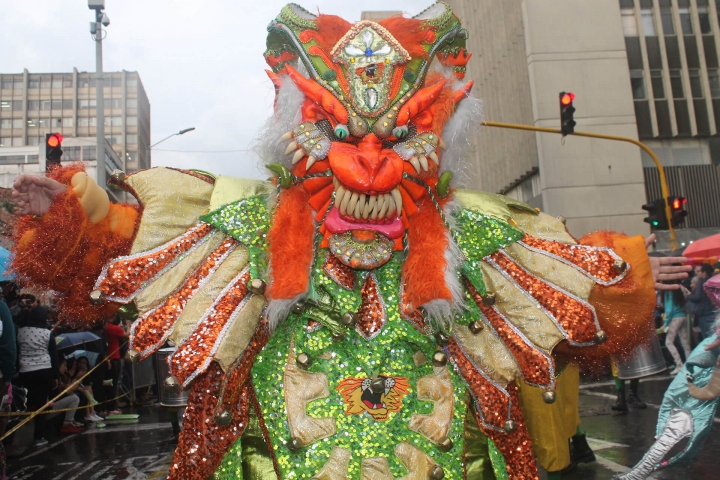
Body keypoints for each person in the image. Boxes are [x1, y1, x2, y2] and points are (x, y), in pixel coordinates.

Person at [8, 5, 692, 478]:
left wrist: (623, 277)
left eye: (393, 139)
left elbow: (578, 296)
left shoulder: (477, 231)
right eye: (340, 137)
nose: (368, 162)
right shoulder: (247, 221)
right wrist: (77, 215)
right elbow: (127, 256)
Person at [15, 306, 58, 447]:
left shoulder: (20, 332)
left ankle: (22, 434)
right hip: (44, 370)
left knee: (26, 402)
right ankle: (38, 436)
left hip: (25, 371)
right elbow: (53, 355)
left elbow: (17, 351)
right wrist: (55, 375)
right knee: (41, 403)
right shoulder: (47, 333)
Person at [46, 357, 83, 434]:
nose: (65, 368)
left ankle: (71, 421)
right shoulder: (53, 379)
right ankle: (67, 424)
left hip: (53, 406)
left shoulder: (61, 376)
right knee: (74, 398)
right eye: (64, 366)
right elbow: (57, 396)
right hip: (47, 409)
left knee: (74, 396)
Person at [682, 263, 717, 339]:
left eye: (699, 271)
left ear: (704, 272)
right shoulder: (714, 280)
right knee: (715, 337)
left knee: (708, 338)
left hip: (704, 313)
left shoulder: (702, 282)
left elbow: (697, 298)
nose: (697, 273)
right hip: (715, 312)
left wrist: (689, 295)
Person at [661, 287, 691, 375]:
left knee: (668, 342)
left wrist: (666, 323)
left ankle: (679, 364)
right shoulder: (681, 288)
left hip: (675, 318)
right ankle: (689, 364)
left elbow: (669, 309)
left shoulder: (668, 291)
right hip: (683, 316)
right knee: (685, 342)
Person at [103, 316, 127, 416]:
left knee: (110, 383)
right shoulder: (113, 328)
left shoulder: (106, 329)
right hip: (114, 357)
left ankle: (110, 406)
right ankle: (111, 407)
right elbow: (127, 334)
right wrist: (129, 324)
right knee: (114, 383)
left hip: (108, 357)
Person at [73, 356, 103, 423]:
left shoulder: (86, 372)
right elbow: (73, 383)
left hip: (81, 388)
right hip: (75, 388)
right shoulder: (74, 372)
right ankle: (88, 414)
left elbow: (86, 383)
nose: (82, 365)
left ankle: (92, 412)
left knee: (89, 389)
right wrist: (78, 377)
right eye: (80, 363)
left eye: (84, 363)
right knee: (86, 392)